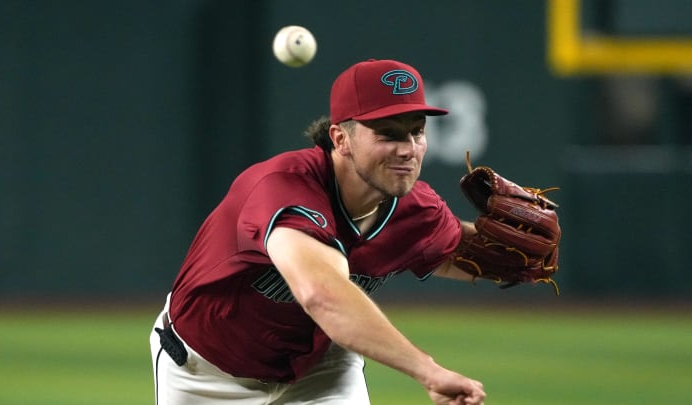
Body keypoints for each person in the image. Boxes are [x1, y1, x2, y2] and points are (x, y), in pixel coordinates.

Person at [150, 58, 486, 405]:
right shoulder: (281, 188)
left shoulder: (417, 210)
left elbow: (480, 258)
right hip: (206, 373)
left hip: (320, 371)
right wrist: (428, 370)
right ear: (341, 139)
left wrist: (535, 248)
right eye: (388, 134)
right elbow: (323, 295)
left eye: (416, 132)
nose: (408, 149)